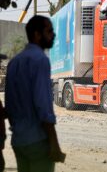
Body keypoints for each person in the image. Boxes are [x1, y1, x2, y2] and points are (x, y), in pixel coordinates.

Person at [5, 15, 65, 172]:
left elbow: (9, 105)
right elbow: (43, 106)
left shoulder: (14, 62)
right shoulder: (40, 60)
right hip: (37, 142)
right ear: (37, 34)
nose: (53, 35)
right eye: (49, 31)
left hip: (19, 141)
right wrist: (54, 143)